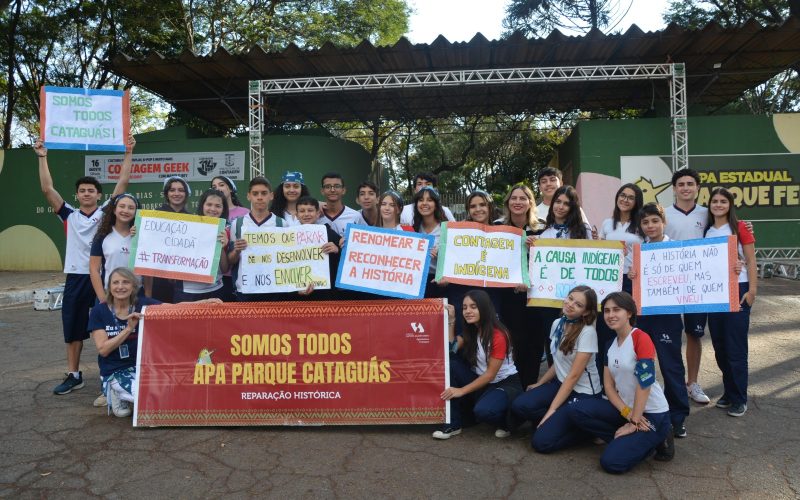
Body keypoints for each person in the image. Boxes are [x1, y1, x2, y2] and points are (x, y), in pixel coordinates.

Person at [34, 135, 134, 395]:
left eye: (92, 190)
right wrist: (42, 157)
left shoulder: (106, 213)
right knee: (74, 327)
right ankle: (74, 374)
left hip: (105, 279)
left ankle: (115, 373)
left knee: (114, 325)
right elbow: (47, 189)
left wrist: (128, 153)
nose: (87, 193)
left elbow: (122, 183)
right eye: (82, 190)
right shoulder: (69, 215)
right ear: (77, 195)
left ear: (99, 195)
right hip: (78, 277)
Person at [88, 267, 220, 417]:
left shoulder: (141, 304)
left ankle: (129, 394)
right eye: (115, 283)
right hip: (115, 370)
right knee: (150, 399)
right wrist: (128, 329)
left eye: (125, 282)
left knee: (170, 392)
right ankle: (115, 392)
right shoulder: (99, 311)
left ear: (133, 286)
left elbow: (174, 309)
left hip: (143, 367)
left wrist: (205, 302)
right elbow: (103, 350)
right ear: (109, 287)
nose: (120, 287)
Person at [568, 291, 674, 473]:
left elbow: (645, 383)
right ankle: (628, 439)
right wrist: (628, 413)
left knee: (612, 463)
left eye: (616, 310)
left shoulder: (641, 338)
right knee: (576, 409)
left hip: (653, 413)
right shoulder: (610, 344)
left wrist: (634, 422)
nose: (610, 315)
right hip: (627, 409)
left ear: (630, 313)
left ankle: (659, 436)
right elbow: (608, 387)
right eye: (607, 311)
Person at [511, 286, 602, 452]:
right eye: (570, 298)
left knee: (541, 443)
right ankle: (562, 418)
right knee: (521, 405)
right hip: (560, 384)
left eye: (579, 304)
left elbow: (573, 376)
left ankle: (586, 431)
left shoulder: (588, 333)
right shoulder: (557, 323)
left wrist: (550, 411)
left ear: (586, 312)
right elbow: (558, 363)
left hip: (583, 393)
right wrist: (540, 383)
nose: (571, 304)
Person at [628, 203, 691, 438]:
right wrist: (632, 275)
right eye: (645, 222)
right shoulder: (638, 251)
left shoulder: (677, 249)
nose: (650, 226)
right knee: (643, 366)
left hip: (668, 318)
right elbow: (631, 283)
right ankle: (643, 410)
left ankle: (678, 417)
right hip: (643, 317)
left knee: (671, 366)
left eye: (655, 221)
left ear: (663, 222)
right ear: (641, 227)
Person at [525, 185, 594, 386]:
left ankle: (578, 384)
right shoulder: (544, 233)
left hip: (576, 301)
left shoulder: (583, 231)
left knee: (577, 341)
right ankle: (555, 383)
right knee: (553, 342)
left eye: (566, 203)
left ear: (573, 207)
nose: (561, 207)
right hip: (548, 301)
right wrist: (533, 245)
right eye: (558, 202)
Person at [433, 290, 522, 440]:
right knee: (451, 364)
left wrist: (461, 390)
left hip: (504, 383)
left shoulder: (498, 335)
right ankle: (453, 424)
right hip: (482, 382)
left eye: (473, 307)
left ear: (484, 308)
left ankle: (509, 421)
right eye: (465, 307)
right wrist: (452, 320)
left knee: (484, 411)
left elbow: (490, 375)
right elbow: (450, 350)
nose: (468, 311)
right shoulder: (472, 329)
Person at [704, 187, 757, 417]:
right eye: (714, 201)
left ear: (730, 204)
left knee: (736, 347)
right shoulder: (707, 231)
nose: (718, 204)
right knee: (720, 345)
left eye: (723, 201)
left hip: (738, 290)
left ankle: (739, 398)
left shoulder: (740, 227)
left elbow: (751, 259)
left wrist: (752, 290)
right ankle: (728, 391)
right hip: (715, 293)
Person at [595, 183, 644, 379]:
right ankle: (605, 379)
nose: (625, 199)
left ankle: (632, 379)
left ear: (636, 202)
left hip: (632, 280)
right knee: (605, 328)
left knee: (630, 329)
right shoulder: (608, 223)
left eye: (630, 197)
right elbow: (599, 252)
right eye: (622, 195)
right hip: (608, 282)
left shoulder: (641, 224)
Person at [495, 184, 540, 388]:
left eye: (523, 198)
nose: (518, 202)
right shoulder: (497, 227)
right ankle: (513, 390)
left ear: (530, 202)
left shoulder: (542, 228)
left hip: (535, 295)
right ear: (508, 202)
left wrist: (537, 247)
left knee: (533, 342)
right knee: (512, 341)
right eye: (514, 198)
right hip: (507, 295)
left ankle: (530, 388)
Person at [228, 177, 287, 301]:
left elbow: (287, 259)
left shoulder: (281, 224)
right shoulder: (237, 224)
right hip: (245, 289)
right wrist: (237, 251)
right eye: (255, 194)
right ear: (249, 196)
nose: (260, 197)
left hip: (274, 288)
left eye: (264, 193)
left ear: (271, 196)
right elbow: (231, 261)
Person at [89, 193, 150, 301]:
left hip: (137, 294)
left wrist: (148, 296)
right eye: (122, 206)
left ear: (136, 212)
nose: (126, 211)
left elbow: (148, 270)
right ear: (114, 210)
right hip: (110, 294)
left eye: (131, 208)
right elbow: (94, 269)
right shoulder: (102, 236)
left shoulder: (143, 236)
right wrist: (102, 298)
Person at [175, 189, 230, 302]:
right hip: (188, 291)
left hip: (216, 289)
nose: (213, 209)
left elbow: (224, 269)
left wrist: (221, 247)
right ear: (202, 205)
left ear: (223, 209)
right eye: (209, 204)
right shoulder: (185, 227)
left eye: (218, 206)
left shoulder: (224, 231)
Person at [295, 195, 342, 301]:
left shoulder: (328, 233)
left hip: (326, 295)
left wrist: (337, 250)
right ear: (296, 215)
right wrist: (295, 289)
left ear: (318, 214)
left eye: (310, 210)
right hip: (299, 295)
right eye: (302, 211)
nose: (306, 214)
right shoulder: (288, 236)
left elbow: (347, 257)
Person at [210, 176, 248, 301]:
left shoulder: (245, 212)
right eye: (214, 187)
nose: (218, 189)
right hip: (220, 274)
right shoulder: (212, 213)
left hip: (240, 271)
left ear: (231, 189)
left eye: (221, 185)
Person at [412, 186, 447, 298]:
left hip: (439, 283)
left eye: (429, 200)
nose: (424, 203)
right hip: (416, 283)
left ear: (436, 204)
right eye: (421, 200)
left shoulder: (446, 229)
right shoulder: (412, 230)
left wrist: (439, 255)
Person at [317, 172, 366, 237]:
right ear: (322, 191)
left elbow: (362, 245)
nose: (332, 190)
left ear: (343, 190)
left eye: (337, 186)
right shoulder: (315, 217)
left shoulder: (355, 216)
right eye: (327, 186)